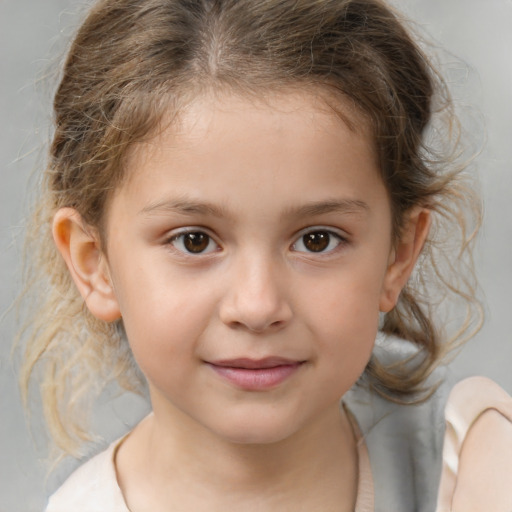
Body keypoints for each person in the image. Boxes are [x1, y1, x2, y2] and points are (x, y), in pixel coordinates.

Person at [16, 0, 511, 510]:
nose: (257, 306)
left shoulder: (471, 461)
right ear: (93, 263)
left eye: (317, 240)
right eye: (194, 241)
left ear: (398, 254)